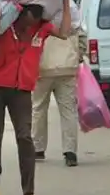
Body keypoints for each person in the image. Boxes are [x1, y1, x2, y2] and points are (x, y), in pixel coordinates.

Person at [0, 0, 71, 195]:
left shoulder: (42, 28)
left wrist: (65, 3)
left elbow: (65, 33)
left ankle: (28, 190)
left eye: (33, 24)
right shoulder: (5, 25)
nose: (28, 28)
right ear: (19, 16)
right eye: (26, 23)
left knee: (25, 138)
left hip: (21, 90)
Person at [32, 33, 79, 166]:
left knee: (38, 108)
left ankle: (37, 148)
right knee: (68, 111)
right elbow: (81, 36)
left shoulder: (40, 14)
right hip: (67, 66)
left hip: (42, 68)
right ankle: (70, 152)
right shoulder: (70, 14)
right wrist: (78, 56)